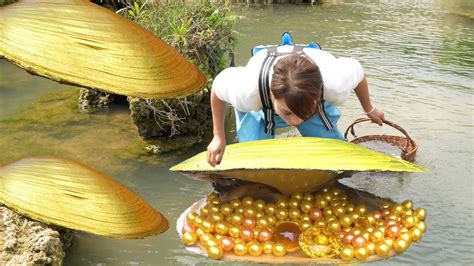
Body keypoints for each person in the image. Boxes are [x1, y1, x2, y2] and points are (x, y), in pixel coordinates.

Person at [207, 33, 384, 166]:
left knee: (334, 156)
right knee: (253, 161)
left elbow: (358, 73)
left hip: (311, 88)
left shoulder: (334, 84)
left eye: (304, 114)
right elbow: (217, 88)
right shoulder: (248, 91)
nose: (296, 122)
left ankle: (301, 111)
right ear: (271, 94)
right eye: (288, 113)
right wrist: (218, 136)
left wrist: (370, 110)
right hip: (263, 105)